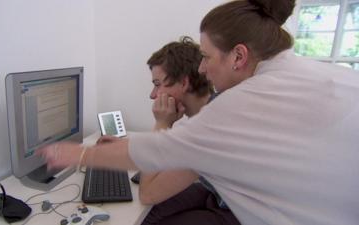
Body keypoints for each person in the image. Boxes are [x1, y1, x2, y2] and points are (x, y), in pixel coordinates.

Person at [39, 1, 359, 225]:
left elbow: (153, 183)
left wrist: (74, 153)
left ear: (238, 56)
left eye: (207, 57)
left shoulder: (232, 108)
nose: (204, 67)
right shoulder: (306, 76)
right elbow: (176, 147)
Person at [139, 37, 239, 225]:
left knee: (147, 214)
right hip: (215, 193)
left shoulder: (211, 126)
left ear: (184, 83)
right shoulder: (215, 106)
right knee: (147, 214)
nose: (152, 95)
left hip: (238, 214)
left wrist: (162, 124)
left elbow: (148, 194)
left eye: (157, 83)